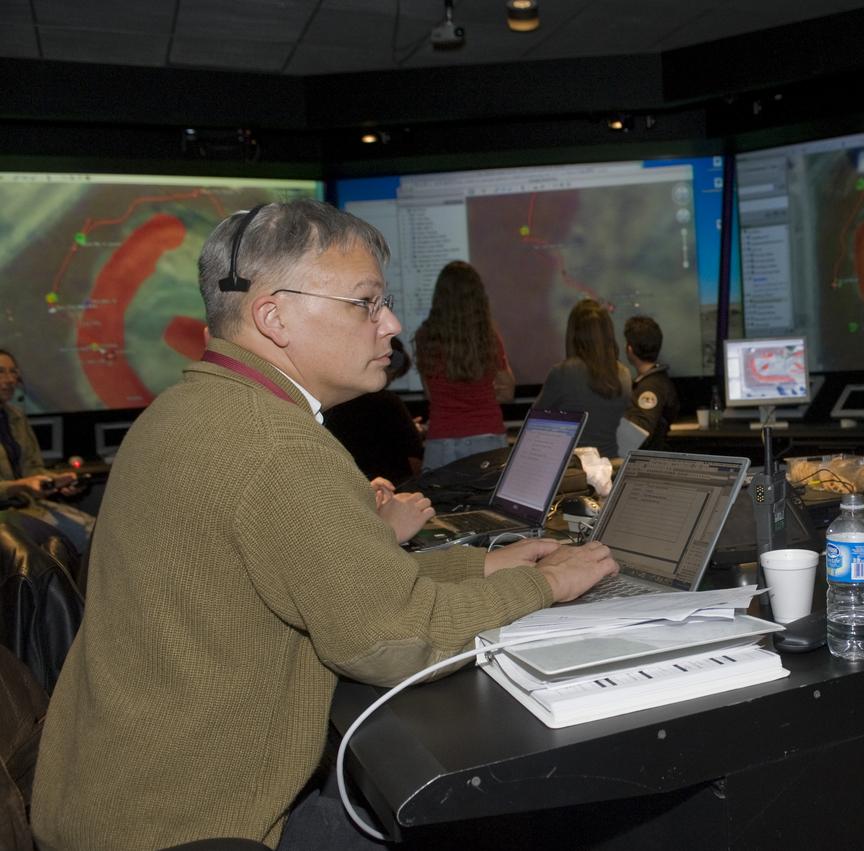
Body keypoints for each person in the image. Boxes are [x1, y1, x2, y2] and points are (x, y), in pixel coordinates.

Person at [30, 200, 617, 851]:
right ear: (273, 316)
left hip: (109, 803)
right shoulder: (277, 445)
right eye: (365, 303)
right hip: (188, 827)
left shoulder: (190, 409)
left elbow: (328, 574)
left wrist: (481, 563)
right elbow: (391, 637)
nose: (390, 324)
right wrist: (546, 587)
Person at [413, 260, 515, 469]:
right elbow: (509, 391)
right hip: (488, 439)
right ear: (478, 298)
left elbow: (430, 394)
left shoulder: (425, 338)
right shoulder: (488, 338)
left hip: (441, 442)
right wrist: (482, 393)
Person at [0, 348, 95, 556]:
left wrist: (56, 482)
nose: (9, 380)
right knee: (75, 540)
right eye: (1, 372)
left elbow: (33, 469)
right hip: (6, 515)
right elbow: (23, 483)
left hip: (29, 505)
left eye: (13, 372)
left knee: (94, 530)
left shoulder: (15, 417)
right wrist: (20, 486)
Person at [534, 299, 631, 457]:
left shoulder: (562, 373)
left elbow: (535, 423)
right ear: (608, 332)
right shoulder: (624, 374)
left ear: (573, 333)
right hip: (611, 468)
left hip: (573, 471)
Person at [324, 336, 424, 484]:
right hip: (394, 486)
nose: (389, 382)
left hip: (352, 486)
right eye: (393, 376)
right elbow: (414, 459)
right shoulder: (389, 402)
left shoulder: (332, 401)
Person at [617, 315, 681, 455]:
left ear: (629, 349)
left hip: (644, 462)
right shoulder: (655, 381)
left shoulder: (651, 387)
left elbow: (639, 436)